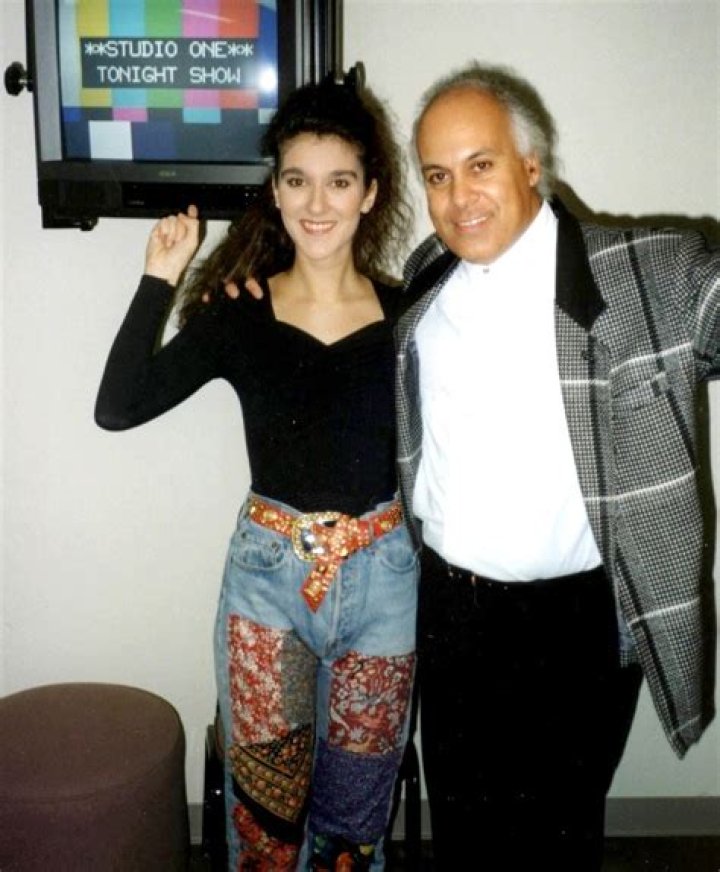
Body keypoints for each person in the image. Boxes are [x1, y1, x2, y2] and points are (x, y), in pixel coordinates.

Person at [394, 62, 719, 871]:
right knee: (463, 839)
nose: (459, 197)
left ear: (530, 164)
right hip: (450, 612)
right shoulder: (425, 277)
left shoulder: (645, 272)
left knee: (558, 844)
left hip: (571, 626)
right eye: (437, 175)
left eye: (480, 164)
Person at [95, 77, 417, 872]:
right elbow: (119, 407)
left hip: (386, 582)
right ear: (274, 191)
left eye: (339, 181)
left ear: (370, 193)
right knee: (266, 829)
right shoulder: (240, 310)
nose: (317, 203)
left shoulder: (412, 317)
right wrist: (161, 275)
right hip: (268, 585)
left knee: (353, 836)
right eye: (298, 180)